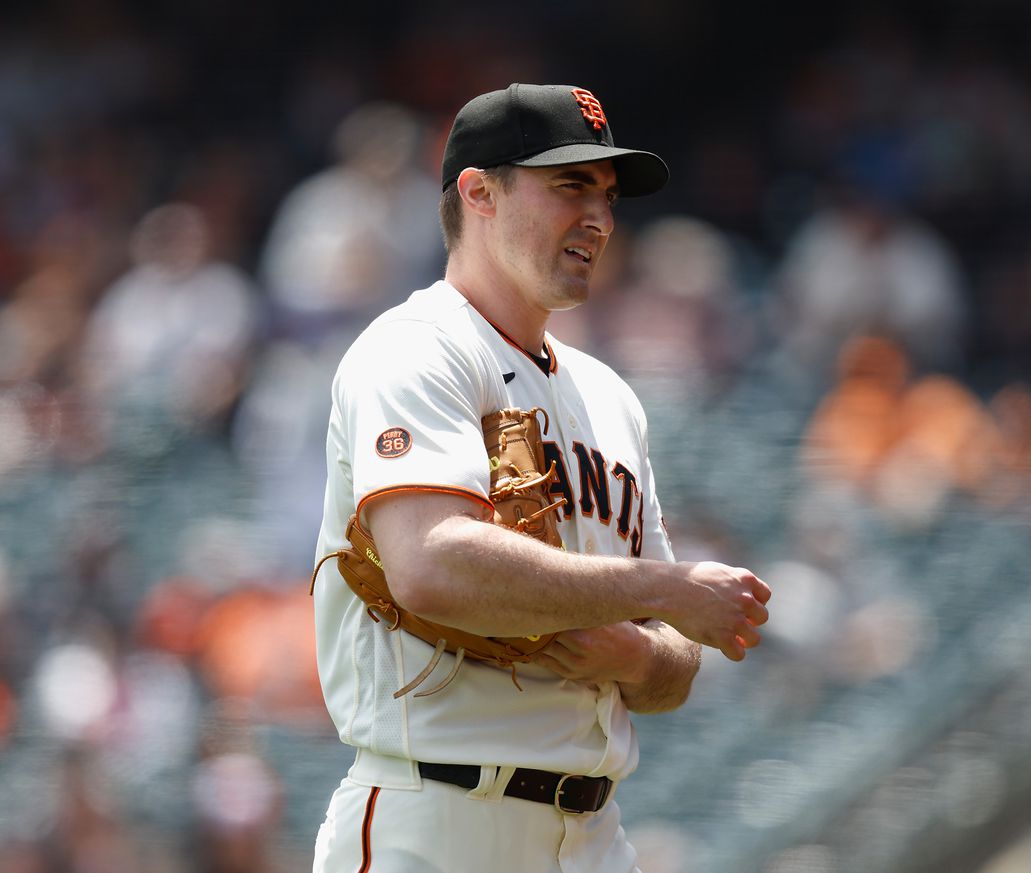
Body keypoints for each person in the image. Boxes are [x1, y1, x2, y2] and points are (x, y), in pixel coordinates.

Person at [310, 83, 772, 873]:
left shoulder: (612, 398)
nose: (599, 216)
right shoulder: (417, 349)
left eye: (608, 194)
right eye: (570, 185)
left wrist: (635, 657)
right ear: (479, 192)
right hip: (440, 819)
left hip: (593, 837)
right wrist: (655, 589)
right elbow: (429, 564)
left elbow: (676, 659)